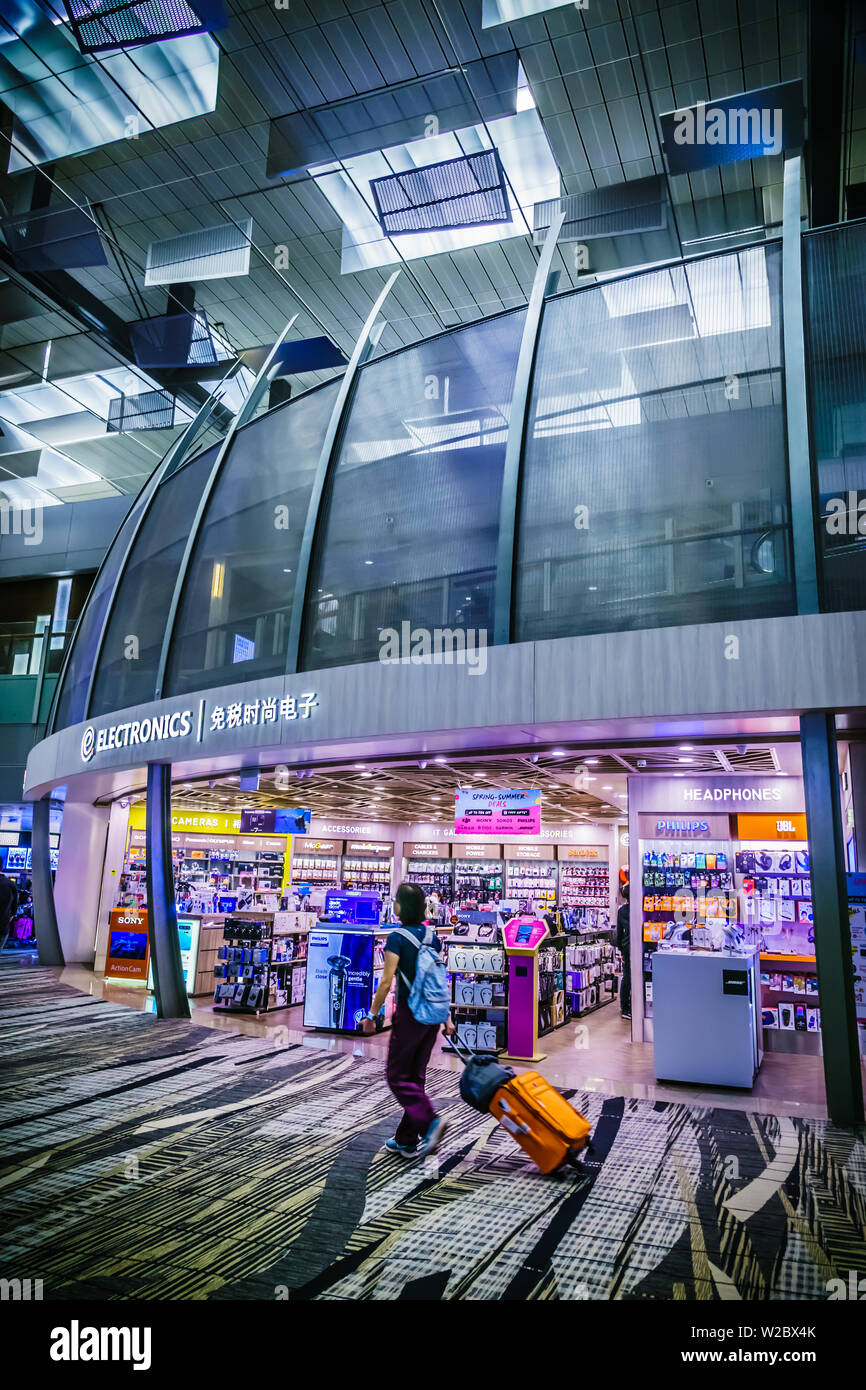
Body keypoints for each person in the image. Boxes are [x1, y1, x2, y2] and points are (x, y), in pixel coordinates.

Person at [361, 881, 455, 1158]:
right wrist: (446, 1016)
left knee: (398, 1076)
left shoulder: (397, 937)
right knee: (415, 1077)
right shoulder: (431, 936)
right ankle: (405, 1139)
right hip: (432, 1016)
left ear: (401, 906)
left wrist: (372, 1014)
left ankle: (431, 1122)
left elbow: (386, 981)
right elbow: (437, 978)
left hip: (410, 1014)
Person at [616, 881, 631, 1020]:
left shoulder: (622, 911)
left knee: (627, 977)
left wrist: (620, 949)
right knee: (630, 978)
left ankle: (625, 1007)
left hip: (626, 947)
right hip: (635, 947)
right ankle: (627, 1007)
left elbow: (619, 933)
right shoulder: (639, 908)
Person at [0, 873, 18, 953]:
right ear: (2, 867)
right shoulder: (10, 884)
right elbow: (15, 906)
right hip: (2, 926)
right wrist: (11, 916)